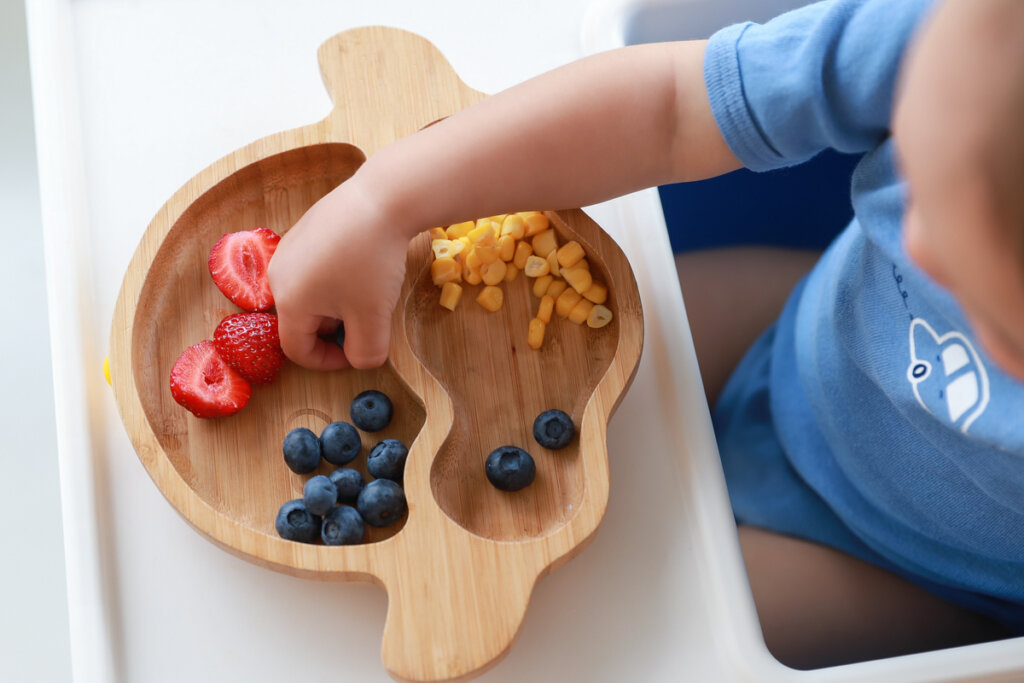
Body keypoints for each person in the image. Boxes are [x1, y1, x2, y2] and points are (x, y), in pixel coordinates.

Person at [268, 0, 1024, 668]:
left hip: (901, 563)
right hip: (794, 330)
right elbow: (669, 106)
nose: (913, 243)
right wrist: (384, 198)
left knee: (631, 637)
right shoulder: (966, 33)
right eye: (917, 180)